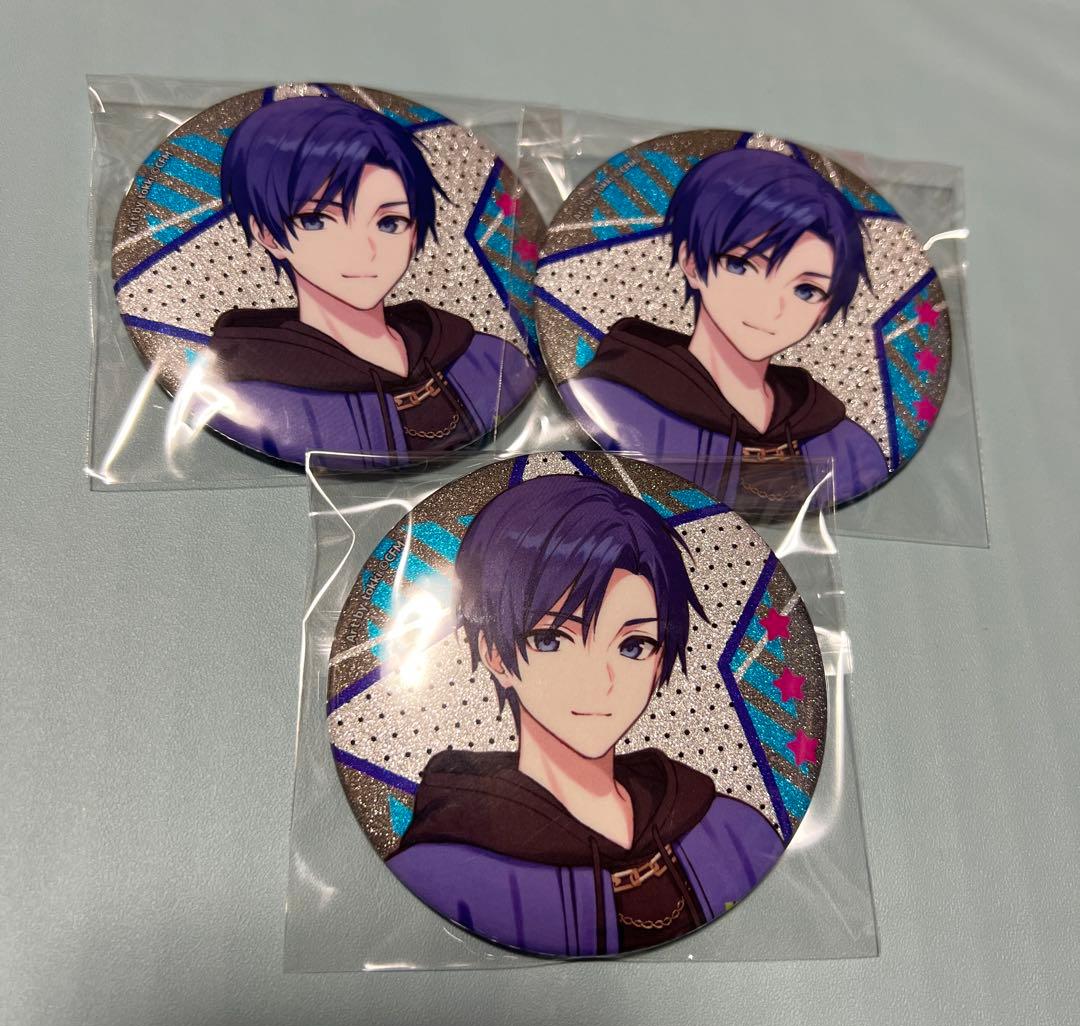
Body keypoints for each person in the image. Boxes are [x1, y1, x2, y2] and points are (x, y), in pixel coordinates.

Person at [388, 474, 783, 956]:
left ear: (660, 658)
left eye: (633, 645)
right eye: (552, 639)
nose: (600, 681)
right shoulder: (442, 874)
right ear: (495, 655)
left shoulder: (732, 833)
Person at [205, 95, 535, 465]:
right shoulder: (250, 392)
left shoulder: (487, 359)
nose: (364, 250)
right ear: (268, 234)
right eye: (318, 220)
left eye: (389, 222)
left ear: (414, 232)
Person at [567, 149, 889, 510]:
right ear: (692, 262)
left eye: (805, 290)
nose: (771, 309)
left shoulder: (846, 445)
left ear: (825, 307)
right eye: (742, 266)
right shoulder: (611, 403)